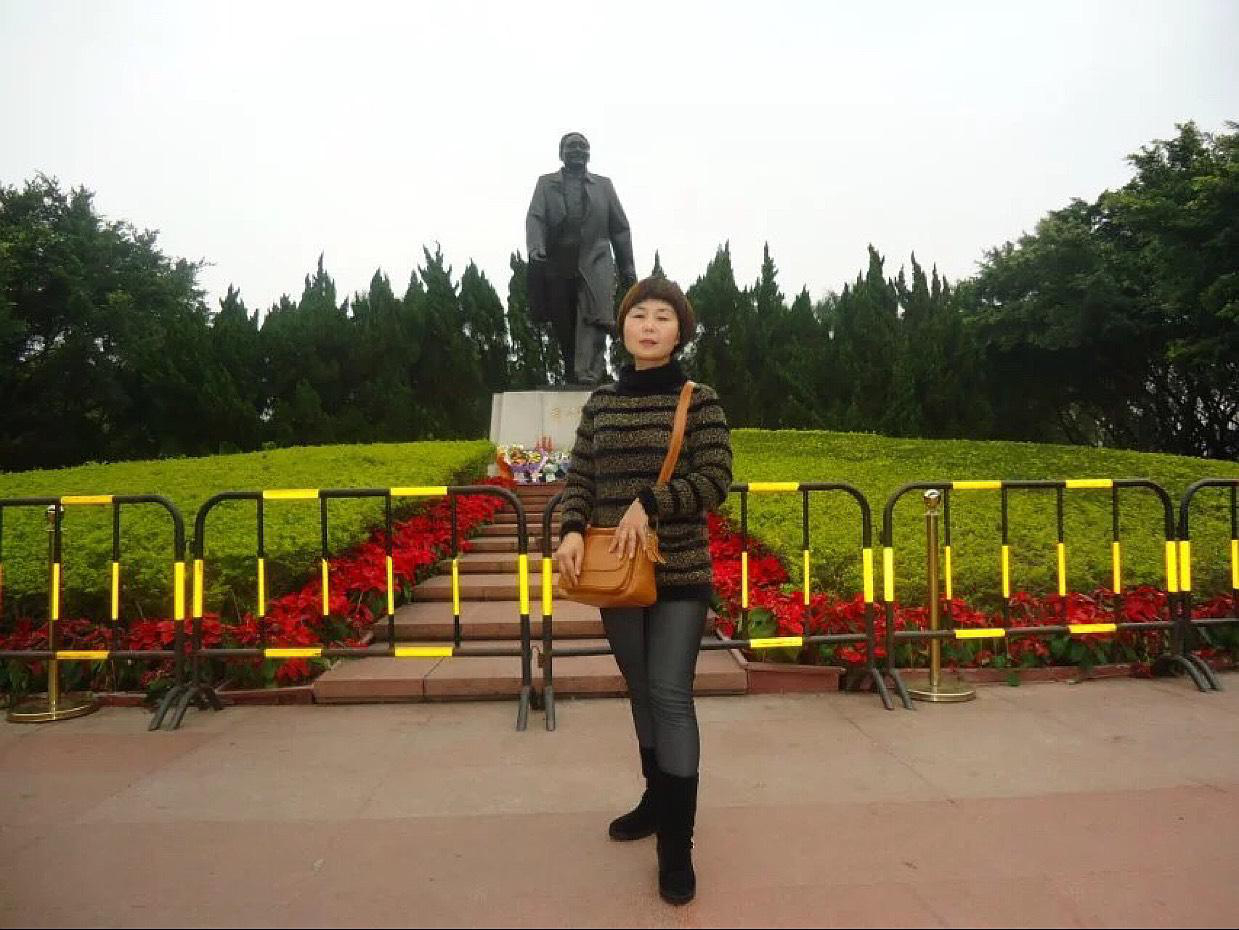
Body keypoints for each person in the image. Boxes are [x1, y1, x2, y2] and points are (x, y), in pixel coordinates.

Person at [555, 276, 733, 905]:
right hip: (616, 572)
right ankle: (656, 803)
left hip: (679, 569)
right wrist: (570, 530)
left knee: (670, 693)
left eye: (663, 316)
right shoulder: (601, 403)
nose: (649, 325)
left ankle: (676, 850)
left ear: (680, 331)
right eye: (639, 315)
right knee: (641, 690)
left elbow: (715, 480)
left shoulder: (698, 400)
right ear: (623, 327)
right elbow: (581, 477)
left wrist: (650, 503)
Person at [525, 132, 637, 386]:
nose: (577, 150)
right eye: (571, 146)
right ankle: (572, 370)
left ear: (589, 153)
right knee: (563, 320)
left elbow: (620, 229)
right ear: (561, 153)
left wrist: (627, 267)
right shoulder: (546, 183)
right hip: (557, 262)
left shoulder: (604, 186)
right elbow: (536, 218)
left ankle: (589, 374)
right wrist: (536, 247)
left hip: (595, 260)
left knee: (595, 315)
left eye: (583, 146)